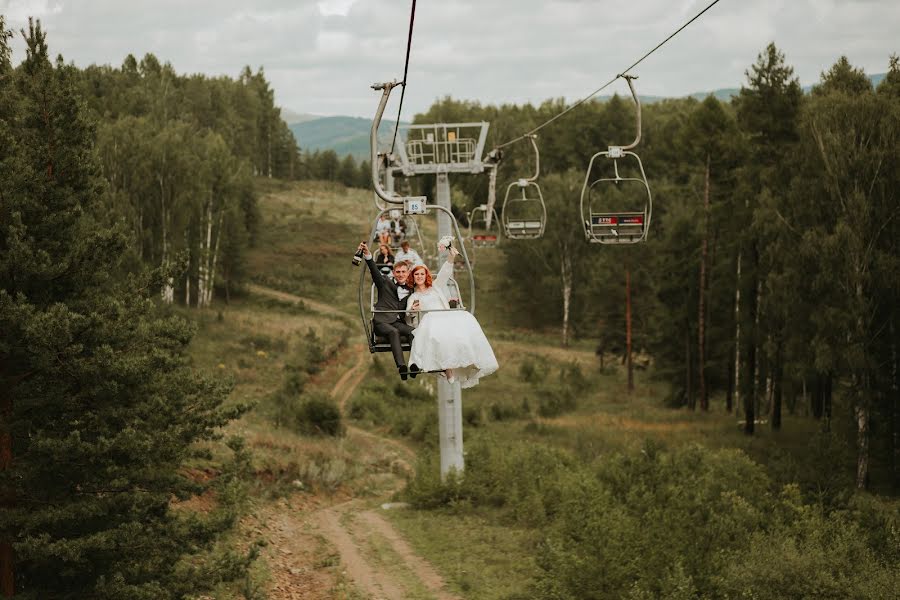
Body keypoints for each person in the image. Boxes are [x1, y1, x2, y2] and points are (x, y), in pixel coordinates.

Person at [406, 247, 498, 388]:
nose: (419, 277)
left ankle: (472, 359)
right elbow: (408, 314)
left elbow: (444, 274)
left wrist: (451, 257)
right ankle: (447, 368)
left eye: (422, 274)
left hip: (444, 317)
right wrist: (413, 310)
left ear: (426, 276)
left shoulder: (435, 287)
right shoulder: (414, 296)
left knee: (465, 318)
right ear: (413, 277)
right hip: (430, 321)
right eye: (416, 274)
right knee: (437, 328)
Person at [359, 242, 416, 380]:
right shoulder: (384, 282)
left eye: (403, 272)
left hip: (396, 321)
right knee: (393, 332)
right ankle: (402, 367)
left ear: (408, 273)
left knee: (413, 332)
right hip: (382, 321)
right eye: (398, 272)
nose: (401, 274)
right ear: (394, 273)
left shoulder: (411, 289)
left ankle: (415, 363)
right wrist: (367, 254)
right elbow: (374, 270)